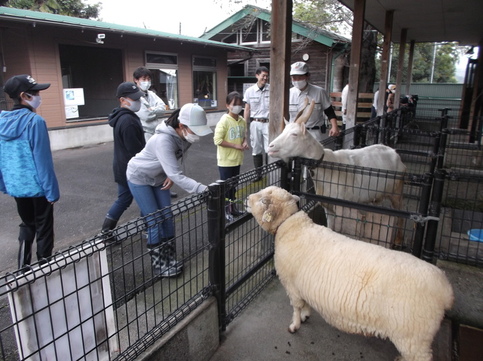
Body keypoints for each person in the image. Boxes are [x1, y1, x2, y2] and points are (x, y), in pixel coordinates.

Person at [127, 103, 212, 277]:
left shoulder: (184, 138)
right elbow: (176, 173)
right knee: (154, 220)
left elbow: (174, 163)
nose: (197, 135)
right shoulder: (163, 140)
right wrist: (202, 189)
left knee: (167, 217)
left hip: (159, 177)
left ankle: (170, 258)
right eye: (195, 130)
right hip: (139, 177)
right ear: (182, 126)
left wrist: (169, 173)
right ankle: (159, 265)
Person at [0, 74, 60, 269]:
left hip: (16, 185)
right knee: (44, 228)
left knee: (27, 224)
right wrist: (52, 191)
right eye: (35, 93)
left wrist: (4, 184)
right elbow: (43, 161)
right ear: (24, 95)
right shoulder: (35, 122)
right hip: (37, 186)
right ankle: (44, 269)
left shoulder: (1, 121)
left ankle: (23, 267)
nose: (38, 96)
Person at [101, 82, 146, 240]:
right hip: (132, 168)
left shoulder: (121, 117)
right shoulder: (128, 121)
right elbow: (135, 150)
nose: (138, 101)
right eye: (134, 99)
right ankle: (148, 229)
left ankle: (106, 232)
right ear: (122, 100)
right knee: (145, 197)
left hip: (122, 166)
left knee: (124, 199)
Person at [133, 67, 177, 198]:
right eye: (143, 79)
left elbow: (163, 108)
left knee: (162, 159)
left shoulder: (151, 93)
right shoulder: (135, 97)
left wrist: (152, 110)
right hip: (145, 132)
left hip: (156, 131)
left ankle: (165, 187)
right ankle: (151, 188)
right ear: (136, 80)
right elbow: (145, 116)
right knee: (151, 162)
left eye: (148, 79)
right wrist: (153, 111)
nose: (146, 82)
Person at [214, 91, 249, 222]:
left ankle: (232, 209)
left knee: (233, 187)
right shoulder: (224, 121)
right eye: (235, 104)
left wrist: (245, 142)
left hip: (237, 160)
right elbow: (217, 140)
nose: (238, 107)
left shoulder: (242, 120)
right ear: (228, 105)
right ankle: (225, 212)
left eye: (240, 104)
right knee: (226, 189)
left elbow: (243, 135)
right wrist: (235, 146)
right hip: (226, 161)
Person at [288, 62, 340, 141]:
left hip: (314, 133)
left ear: (308, 76)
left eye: (300, 77)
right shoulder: (288, 93)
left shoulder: (319, 92)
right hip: (295, 133)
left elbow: (329, 111)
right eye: (294, 78)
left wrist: (334, 126)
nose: (297, 80)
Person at [243, 66, 270, 179]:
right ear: (257, 75)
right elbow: (247, 109)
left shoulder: (272, 89)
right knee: (256, 148)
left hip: (268, 122)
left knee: (269, 148)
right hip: (255, 122)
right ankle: (258, 174)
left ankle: (270, 173)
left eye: (267, 76)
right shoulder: (250, 91)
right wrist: (245, 126)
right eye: (263, 75)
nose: (265, 78)